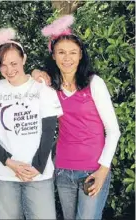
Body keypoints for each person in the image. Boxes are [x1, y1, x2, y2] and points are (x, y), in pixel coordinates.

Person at [36, 15, 121, 219]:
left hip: (93, 170)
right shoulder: (50, 87)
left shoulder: (94, 83)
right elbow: (28, 82)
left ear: (81, 55)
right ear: (53, 56)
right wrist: (35, 72)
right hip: (64, 170)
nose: (67, 58)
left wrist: (102, 171)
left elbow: (113, 131)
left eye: (73, 52)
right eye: (61, 52)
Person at [0, 28, 63, 219]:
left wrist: (38, 166)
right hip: (3, 174)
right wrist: (9, 162)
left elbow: (50, 130)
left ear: (24, 59)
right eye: (3, 65)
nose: (9, 70)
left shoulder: (42, 89)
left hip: (38, 173)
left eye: (14, 63)